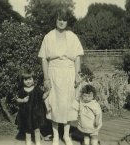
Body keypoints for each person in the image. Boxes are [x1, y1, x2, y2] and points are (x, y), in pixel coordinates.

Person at [38, 8, 84, 145]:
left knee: (68, 104)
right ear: (55, 20)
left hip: (69, 73)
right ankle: (56, 135)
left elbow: (77, 58)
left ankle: (66, 135)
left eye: (64, 20)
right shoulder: (48, 36)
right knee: (54, 103)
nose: (62, 22)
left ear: (67, 21)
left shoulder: (73, 36)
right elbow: (44, 59)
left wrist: (77, 75)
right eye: (59, 19)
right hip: (54, 73)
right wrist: (46, 78)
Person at [15, 69, 45, 145]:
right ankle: (28, 142)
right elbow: (17, 100)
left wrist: (47, 92)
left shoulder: (37, 89)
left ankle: (38, 142)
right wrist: (23, 100)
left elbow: (43, 97)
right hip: (26, 114)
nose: (28, 81)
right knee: (27, 130)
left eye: (30, 79)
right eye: (26, 79)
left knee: (37, 129)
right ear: (22, 81)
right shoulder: (22, 90)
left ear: (33, 79)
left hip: (36, 114)